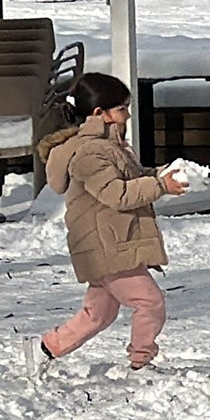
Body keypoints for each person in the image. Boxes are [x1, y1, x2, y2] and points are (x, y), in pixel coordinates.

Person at [25, 73, 188, 378]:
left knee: (99, 314)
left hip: (107, 243)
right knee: (149, 302)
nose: (128, 115)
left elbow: (130, 178)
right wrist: (160, 186)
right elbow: (116, 194)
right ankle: (141, 361)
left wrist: (161, 174)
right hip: (106, 245)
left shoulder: (110, 146)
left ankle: (45, 347)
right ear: (100, 113)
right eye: (122, 109)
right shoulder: (90, 152)